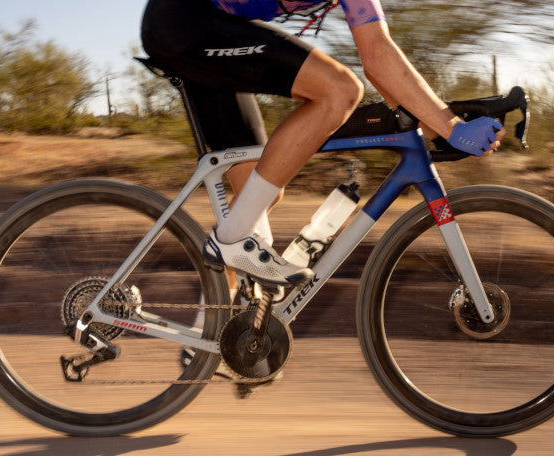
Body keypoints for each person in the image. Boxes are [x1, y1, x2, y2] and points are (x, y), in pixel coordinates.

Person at [141, 0, 505, 285]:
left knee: (258, 191)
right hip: (184, 21)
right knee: (339, 90)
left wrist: (437, 122)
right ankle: (230, 241)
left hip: (205, 29)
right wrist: (451, 125)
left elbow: (383, 64)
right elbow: (376, 56)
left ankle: (215, 334)